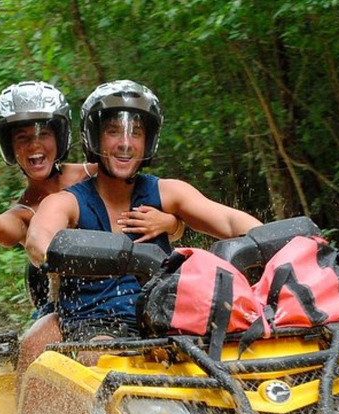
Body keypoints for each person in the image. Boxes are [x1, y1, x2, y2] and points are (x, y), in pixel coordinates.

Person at [20, 79, 261, 374]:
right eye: (112, 131)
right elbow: (38, 239)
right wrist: (57, 251)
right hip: (93, 325)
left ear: (148, 142)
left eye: (136, 133)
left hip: (167, 321)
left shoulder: (168, 193)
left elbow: (230, 221)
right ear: (94, 138)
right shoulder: (66, 202)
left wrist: (265, 242)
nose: (125, 142)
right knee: (102, 362)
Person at [0, 81, 183, 313]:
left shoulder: (96, 174)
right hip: (73, 308)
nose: (34, 145)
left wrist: (172, 223)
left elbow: (150, 199)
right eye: (22, 138)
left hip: (135, 293)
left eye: (43, 134)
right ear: (10, 147)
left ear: (60, 137)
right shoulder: (27, 211)